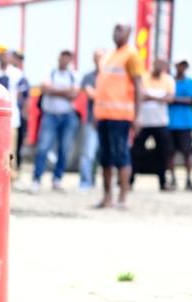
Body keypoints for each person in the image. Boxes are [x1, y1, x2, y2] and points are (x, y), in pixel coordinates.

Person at [94, 22, 143, 209]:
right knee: (105, 158)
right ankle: (107, 198)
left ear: (129, 33)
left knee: (121, 157)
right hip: (104, 115)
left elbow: (139, 86)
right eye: (115, 29)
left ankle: (123, 198)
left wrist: (138, 116)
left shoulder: (131, 55)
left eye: (120, 29)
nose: (116, 33)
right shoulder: (109, 56)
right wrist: (96, 114)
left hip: (121, 116)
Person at [30, 50, 80, 193]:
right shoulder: (50, 72)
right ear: (59, 58)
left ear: (70, 61)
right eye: (62, 58)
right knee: (43, 148)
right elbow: (45, 88)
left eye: (67, 58)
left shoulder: (74, 75)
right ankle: (37, 179)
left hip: (67, 116)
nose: (64, 61)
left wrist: (54, 90)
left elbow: (74, 94)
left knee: (64, 149)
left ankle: (57, 179)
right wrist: (65, 91)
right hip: (50, 116)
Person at [131, 58, 175, 191]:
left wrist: (149, 96)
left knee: (163, 153)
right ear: (153, 64)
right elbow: (139, 96)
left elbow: (170, 98)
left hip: (160, 123)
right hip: (143, 122)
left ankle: (163, 182)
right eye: (158, 64)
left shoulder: (168, 80)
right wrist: (159, 98)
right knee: (135, 152)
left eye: (163, 64)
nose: (160, 67)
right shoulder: (143, 78)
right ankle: (129, 180)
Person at [0, 51, 23, 184]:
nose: (5, 58)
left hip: (12, 118)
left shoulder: (17, 74)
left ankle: (11, 176)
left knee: (11, 149)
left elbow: (21, 95)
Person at [167, 56, 192, 191]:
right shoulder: (169, 81)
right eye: (180, 64)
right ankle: (173, 179)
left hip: (185, 124)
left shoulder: (191, 82)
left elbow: (191, 100)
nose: (182, 67)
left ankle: (189, 180)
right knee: (170, 153)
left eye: (184, 65)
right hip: (169, 123)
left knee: (187, 152)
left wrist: (172, 99)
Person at [79, 49, 104, 190]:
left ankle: (95, 181)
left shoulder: (111, 77)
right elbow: (91, 94)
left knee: (102, 154)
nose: (99, 59)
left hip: (107, 120)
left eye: (101, 57)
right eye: (96, 57)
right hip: (91, 120)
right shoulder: (88, 76)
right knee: (88, 153)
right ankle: (85, 182)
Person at [11, 50, 29, 176]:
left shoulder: (21, 76)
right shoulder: (9, 74)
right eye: (16, 58)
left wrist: (25, 115)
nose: (18, 61)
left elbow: (26, 97)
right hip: (12, 113)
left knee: (18, 145)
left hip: (19, 115)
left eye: (20, 59)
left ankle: (16, 171)